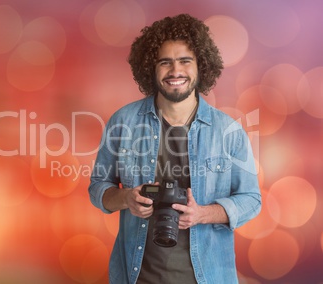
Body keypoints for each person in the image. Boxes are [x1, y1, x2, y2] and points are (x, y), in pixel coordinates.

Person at [88, 14, 261, 284]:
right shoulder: (123, 122)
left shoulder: (229, 131)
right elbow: (98, 187)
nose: (175, 71)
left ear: (201, 66)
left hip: (209, 277)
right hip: (137, 276)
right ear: (150, 68)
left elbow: (251, 199)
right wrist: (127, 199)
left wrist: (204, 214)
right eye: (165, 62)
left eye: (185, 61)